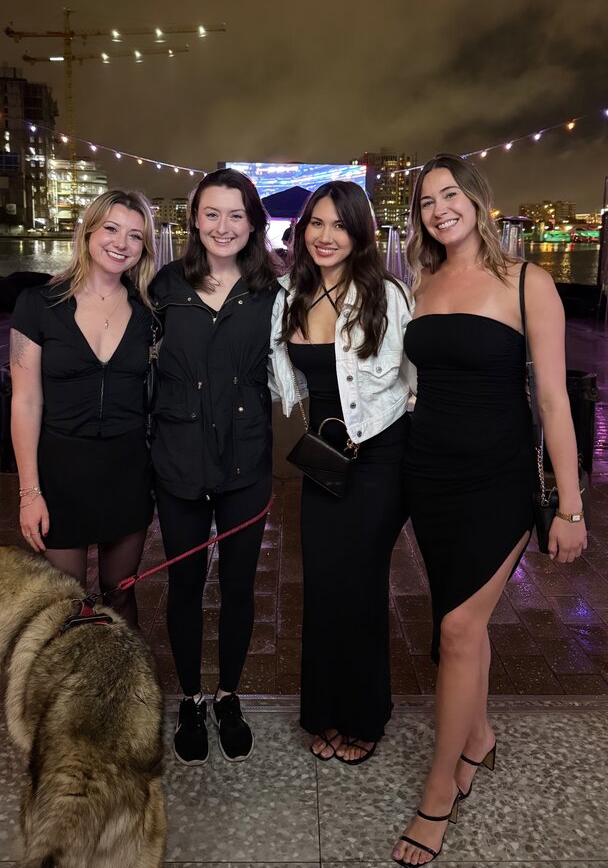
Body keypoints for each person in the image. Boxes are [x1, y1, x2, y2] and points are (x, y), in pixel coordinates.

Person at [392, 155, 587, 865]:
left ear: (477, 201)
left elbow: (555, 401)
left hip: (499, 479)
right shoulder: (421, 281)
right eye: (425, 201)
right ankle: (477, 736)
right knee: (462, 623)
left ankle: (439, 792)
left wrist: (570, 506)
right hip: (428, 475)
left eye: (450, 194)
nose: (439, 208)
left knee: (456, 627)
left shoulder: (528, 281)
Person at [269, 180, 414, 764]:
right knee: (322, 583)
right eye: (316, 223)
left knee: (362, 583)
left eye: (340, 225)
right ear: (302, 229)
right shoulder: (287, 294)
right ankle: (323, 711)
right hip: (326, 456)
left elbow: (416, 379)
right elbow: (277, 373)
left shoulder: (387, 293)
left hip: (380, 455)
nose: (325, 236)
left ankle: (365, 714)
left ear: (360, 233)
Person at [150, 168, 279, 766]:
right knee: (183, 584)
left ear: (253, 223)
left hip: (246, 459)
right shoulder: (163, 285)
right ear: (194, 220)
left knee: (238, 584)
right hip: (177, 458)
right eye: (211, 213)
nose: (223, 226)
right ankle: (191, 698)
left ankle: (228, 695)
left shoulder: (272, 291)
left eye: (236, 215)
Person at [10, 189, 157, 630]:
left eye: (135, 235)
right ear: (88, 231)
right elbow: (25, 401)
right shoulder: (38, 304)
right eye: (111, 228)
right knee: (64, 601)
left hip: (127, 470)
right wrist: (29, 492)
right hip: (61, 472)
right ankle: (68, 678)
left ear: (144, 247)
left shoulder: (148, 313)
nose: (121, 243)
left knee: (120, 591)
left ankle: (126, 673)